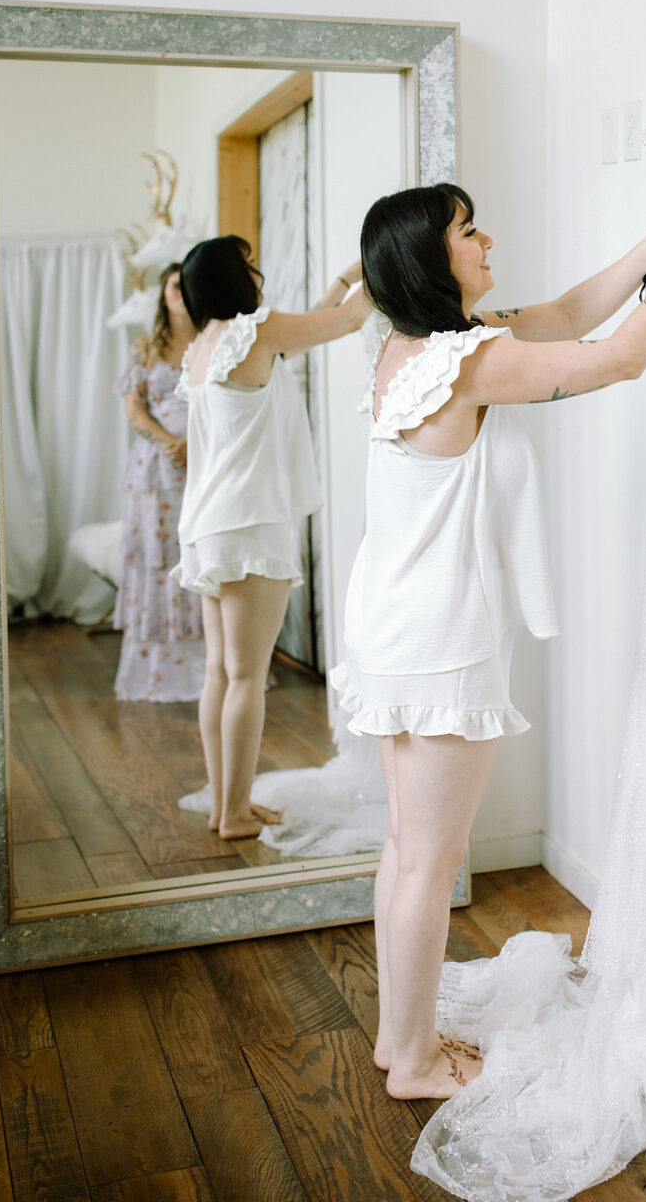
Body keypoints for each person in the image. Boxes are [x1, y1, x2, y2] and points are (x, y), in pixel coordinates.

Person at [331, 180, 646, 1101]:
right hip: (438, 637)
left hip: (392, 623)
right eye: (466, 229)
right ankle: (413, 1062)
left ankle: (396, 1039)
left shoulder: (411, 352)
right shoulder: (469, 363)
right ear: (429, 258)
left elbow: (572, 311)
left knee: (408, 846)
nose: (485, 237)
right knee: (426, 855)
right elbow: (614, 359)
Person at [171, 235, 369, 840]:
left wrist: (339, 278)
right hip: (251, 522)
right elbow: (345, 321)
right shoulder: (257, 333)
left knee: (219, 673)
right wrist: (370, 270)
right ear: (239, 277)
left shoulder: (205, 348)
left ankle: (223, 804)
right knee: (247, 676)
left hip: (207, 524)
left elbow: (309, 321)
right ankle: (233, 811)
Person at [112, 263, 205, 701]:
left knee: (202, 552)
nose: (181, 293)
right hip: (158, 470)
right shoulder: (145, 347)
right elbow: (134, 411)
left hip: (207, 462)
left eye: (188, 285)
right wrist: (172, 443)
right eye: (173, 285)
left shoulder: (212, 340)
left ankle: (214, 666)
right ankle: (158, 671)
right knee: (161, 556)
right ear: (163, 294)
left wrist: (196, 444)